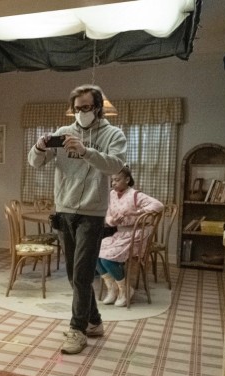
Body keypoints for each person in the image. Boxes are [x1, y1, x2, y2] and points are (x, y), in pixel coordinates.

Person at [28, 84, 126, 354]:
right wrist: (39, 147)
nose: (81, 112)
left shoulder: (113, 134)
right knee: (74, 275)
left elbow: (116, 165)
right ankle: (94, 321)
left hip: (92, 214)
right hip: (64, 211)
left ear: (98, 108)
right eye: (77, 108)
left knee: (82, 274)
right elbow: (35, 163)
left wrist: (85, 151)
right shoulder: (63, 133)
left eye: (87, 107)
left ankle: (77, 329)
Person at [98, 166, 164, 307]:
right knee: (93, 253)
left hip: (136, 235)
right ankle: (113, 289)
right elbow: (108, 216)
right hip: (120, 234)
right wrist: (113, 221)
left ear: (127, 180)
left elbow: (158, 205)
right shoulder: (111, 195)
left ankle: (125, 290)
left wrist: (137, 213)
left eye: (117, 180)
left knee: (107, 259)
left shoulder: (135, 195)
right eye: (112, 180)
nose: (113, 183)